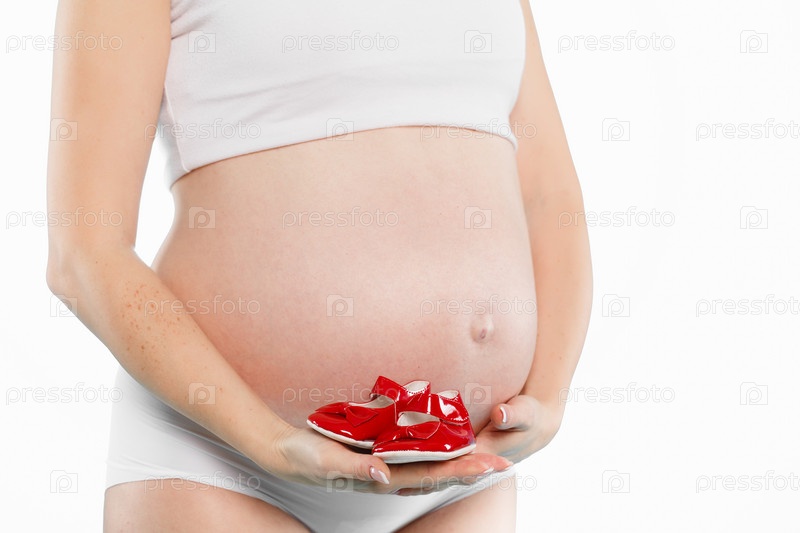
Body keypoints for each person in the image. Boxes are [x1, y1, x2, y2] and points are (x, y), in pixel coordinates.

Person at [46, 0, 592, 531]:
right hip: (223, 466)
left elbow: (549, 197)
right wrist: (271, 442)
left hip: (462, 476)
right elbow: (84, 253)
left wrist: (550, 394)